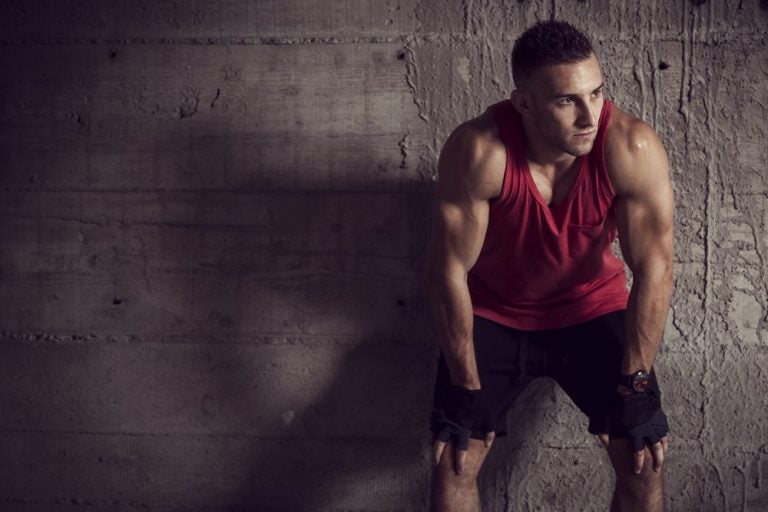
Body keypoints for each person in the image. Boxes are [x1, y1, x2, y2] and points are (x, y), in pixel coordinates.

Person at [425, 20, 674, 512]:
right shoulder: (480, 150)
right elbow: (446, 271)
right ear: (524, 103)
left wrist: (637, 382)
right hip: (495, 314)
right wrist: (462, 384)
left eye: (596, 94)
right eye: (566, 101)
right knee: (455, 461)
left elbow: (655, 269)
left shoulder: (629, 146)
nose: (589, 115)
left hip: (590, 310)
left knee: (643, 458)